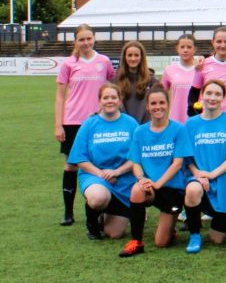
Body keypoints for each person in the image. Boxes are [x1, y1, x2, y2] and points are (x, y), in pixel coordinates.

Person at [55, 24, 116, 226]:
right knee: (71, 165)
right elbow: (60, 96)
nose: (86, 43)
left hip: (98, 121)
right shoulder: (69, 64)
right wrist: (58, 125)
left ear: (94, 38)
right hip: (73, 121)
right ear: (76, 41)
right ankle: (68, 212)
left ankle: (97, 209)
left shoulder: (104, 61)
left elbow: (111, 88)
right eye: (81, 39)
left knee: (98, 163)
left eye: (88, 38)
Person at [120, 86, 191, 257]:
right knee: (137, 190)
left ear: (168, 105)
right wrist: (141, 178)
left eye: (161, 102)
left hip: (172, 189)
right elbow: (135, 162)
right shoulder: (140, 131)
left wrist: (158, 183)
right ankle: (136, 242)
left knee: (161, 243)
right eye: (153, 103)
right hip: (150, 187)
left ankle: (169, 230)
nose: (157, 107)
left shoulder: (179, 129)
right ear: (148, 107)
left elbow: (177, 163)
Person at [183, 80, 226, 253]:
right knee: (192, 190)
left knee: (218, 239)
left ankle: (225, 224)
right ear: (202, 95)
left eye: (217, 94)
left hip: (224, 180)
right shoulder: (191, 124)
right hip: (198, 178)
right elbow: (187, 157)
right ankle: (194, 234)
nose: (212, 97)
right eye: (209, 93)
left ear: (224, 98)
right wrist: (198, 175)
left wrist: (212, 174)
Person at [68, 82, 139, 240]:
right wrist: (102, 174)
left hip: (124, 179)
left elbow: (137, 156)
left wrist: (117, 172)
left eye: (113, 97)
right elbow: (79, 158)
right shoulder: (89, 124)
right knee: (98, 198)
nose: (110, 101)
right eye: (105, 97)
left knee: (114, 234)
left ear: (120, 101)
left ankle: (105, 214)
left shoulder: (131, 123)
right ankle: (92, 222)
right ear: (99, 101)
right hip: (94, 175)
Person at [160, 34, 202, 124]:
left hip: (196, 119)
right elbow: (160, 94)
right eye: (182, 47)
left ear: (194, 49)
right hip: (175, 119)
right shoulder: (169, 70)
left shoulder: (200, 69)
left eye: (189, 47)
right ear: (177, 49)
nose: (185, 50)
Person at [116, 40, 156, 124]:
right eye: (129, 55)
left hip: (146, 127)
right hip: (123, 127)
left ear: (142, 57)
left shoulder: (152, 81)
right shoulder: (116, 80)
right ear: (124, 57)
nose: (133, 58)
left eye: (136, 55)